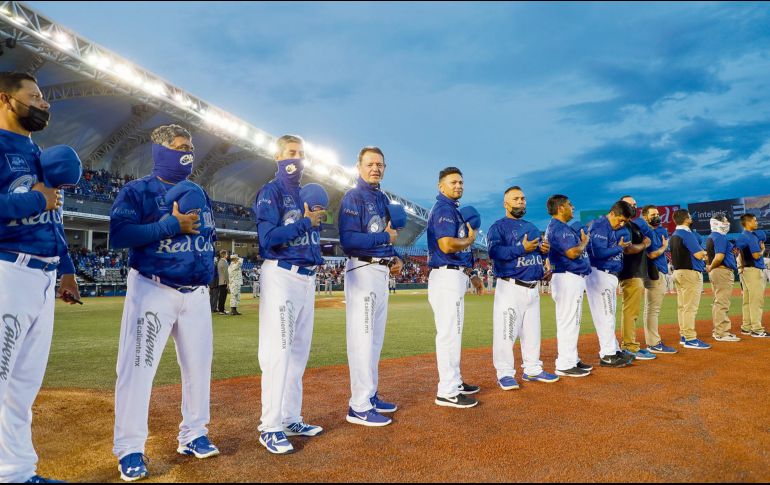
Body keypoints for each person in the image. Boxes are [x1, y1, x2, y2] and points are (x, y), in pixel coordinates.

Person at [109, 124, 219, 481]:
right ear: (160, 150)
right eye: (179, 146)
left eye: (190, 146)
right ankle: (130, 449)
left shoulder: (199, 192)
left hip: (196, 294)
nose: (187, 152)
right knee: (138, 370)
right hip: (153, 288)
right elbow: (119, 234)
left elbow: (207, 238)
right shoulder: (137, 190)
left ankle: (194, 434)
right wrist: (170, 225)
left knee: (199, 369)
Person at [0, 71, 81, 484]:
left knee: (23, 386)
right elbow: (38, 202)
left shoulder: (40, 154)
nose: (44, 103)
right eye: (33, 97)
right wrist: (36, 197)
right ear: (5, 99)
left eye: (44, 97)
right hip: (6, 271)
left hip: (43, 276)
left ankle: (16, 473)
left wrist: (66, 268)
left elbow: (53, 215)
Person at [253, 134, 326, 454]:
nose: (297, 159)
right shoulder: (271, 192)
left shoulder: (307, 194)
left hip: (306, 279)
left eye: (301, 154)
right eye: (291, 153)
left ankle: (289, 417)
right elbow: (268, 239)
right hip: (281, 274)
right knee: (278, 352)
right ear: (279, 158)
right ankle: (269, 426)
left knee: (298, 354)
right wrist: (306, 223)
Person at [338, 146, 404, 427]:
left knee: (374, 341)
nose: (375, 168)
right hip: (362, 270)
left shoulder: (382, 198)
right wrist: (385, 241)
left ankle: (371, 394)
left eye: (379, 164)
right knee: (362, 340)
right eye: (370, 164)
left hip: (380, 271)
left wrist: (395, 257)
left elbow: (385, 238)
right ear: (359, 166)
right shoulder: (353, 197)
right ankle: (358, 406)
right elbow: (349, 240)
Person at [487, 186, 560, 390]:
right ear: (506, 204)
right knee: (506, 332)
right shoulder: (498, 227)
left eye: (523, 198)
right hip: (510, 287)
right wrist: (522, 248)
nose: (521, 201)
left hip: (532, 287)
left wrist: (544, 253)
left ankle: (533, 369)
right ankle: (504, 373)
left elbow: (535, 254)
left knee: (532, 332)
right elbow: (494, 253)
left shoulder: (532, 227)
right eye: (516, 198)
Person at [427, 167, 480, 408]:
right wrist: (469, 240)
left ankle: (455, 382)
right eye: (453, 182)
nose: (458, 186)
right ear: (441, 186)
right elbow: (447, 245)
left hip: (455, 276)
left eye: (460, 182)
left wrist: (472, 273)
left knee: (454, 334)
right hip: (445, 277)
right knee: (448, 335)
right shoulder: (443, 209)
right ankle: (446, 391)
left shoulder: (454, 210)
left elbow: (459, 251)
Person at [544, 195, 593, 378]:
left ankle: (571, 358)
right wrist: (585, 242)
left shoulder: (560, 227)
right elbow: (572, 253)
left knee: (573, 321)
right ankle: (565, 363)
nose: (573, 207)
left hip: (570, 277)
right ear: (561, 208)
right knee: (568, 322)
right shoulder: (558, 227)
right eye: (569, 205)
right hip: (567, 277)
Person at [583, 201, 636, 368]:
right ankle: (607, 355)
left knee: (608, 315)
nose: (621, 224)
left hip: (610, 274)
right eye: (619, 220)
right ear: (612, 213)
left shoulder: (617, 228)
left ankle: (613, 348)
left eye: (624, 222)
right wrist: (619, 248)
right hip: (599, 273)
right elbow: (598, 253)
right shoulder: (599, 226)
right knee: (605, 316)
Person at [616, 196, 656, 360]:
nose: (633, 207)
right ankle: (629, 346)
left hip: (636, 272)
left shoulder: (632, 225)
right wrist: (645, 244)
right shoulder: (623, 225)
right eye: (629, 204)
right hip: (630, 272)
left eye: (635, 205)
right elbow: (628, 249)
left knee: (632, 311)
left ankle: (629, 344)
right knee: (630, 311)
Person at [669, 209, 711, 349]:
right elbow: (699, 255)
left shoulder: (674, 234)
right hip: (689, 273)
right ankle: (690, 339)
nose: (691, 218)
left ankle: (684, 335)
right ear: (686, 219)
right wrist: (707, 253)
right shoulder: (687, 233)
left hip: (678, 272)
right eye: (689, 216)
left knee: (682, 307)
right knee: (690, 308)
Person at [641, 205, 678, 354]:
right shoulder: (646, 231)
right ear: (644, 217)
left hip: (654, 271)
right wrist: (663, 247)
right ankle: (653, 343)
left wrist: (661, 248)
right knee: (652, 309)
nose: (657, 216)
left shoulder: (660, 230)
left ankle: (652, 340)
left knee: (650, 309)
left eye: (657, 214)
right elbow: (653, 254)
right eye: (653, 214)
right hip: (654, 271)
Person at [705, 213, 740, 342]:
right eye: (725, 220)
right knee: (722, 302)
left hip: (717, 271)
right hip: (722, 271)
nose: (727, 223)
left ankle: (719, 331)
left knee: (718, 301)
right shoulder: (719, 236)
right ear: (717, 222)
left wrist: (710, 267)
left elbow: (709, 256)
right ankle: (721, 332)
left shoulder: (711, 236)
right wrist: (711, 267)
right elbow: (719, 257)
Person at [736, 214, 768, 338]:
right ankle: (757, 329)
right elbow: (756, 255)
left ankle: (746, 326)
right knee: (756, 301)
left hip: (745, 270)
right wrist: (762, 250)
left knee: (747, 301)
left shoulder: (742, 236)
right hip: (754, 271)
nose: (756, 222)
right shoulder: (750, 236)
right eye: (754, 220)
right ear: (748, 222)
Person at [216, 249, 229, 314]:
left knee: (221, 296)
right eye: (226, 254)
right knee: (223, 296)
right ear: (224, 255)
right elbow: (226, 273)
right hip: (224, 281)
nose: (227, 255)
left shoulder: (219, 261)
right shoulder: (224, 262)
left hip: (221, 281)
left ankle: (221, 309)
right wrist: (228, 282)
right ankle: (221, 310)